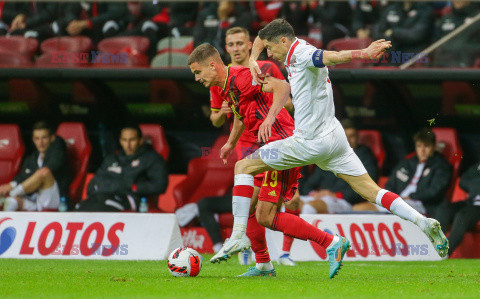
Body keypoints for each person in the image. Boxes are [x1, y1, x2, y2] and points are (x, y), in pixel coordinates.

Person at [226, 18, 447, 270]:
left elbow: (332, 56)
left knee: (243, 167)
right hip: (334, 137)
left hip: (308, 142)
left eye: (271, 49)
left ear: (285, 41)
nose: (269, 54)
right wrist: (253, 59)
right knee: (371, 190)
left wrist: (363, 53)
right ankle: (422, 222)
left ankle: (238, 235)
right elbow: (261, 37)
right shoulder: (287, 47)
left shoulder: (304, 53)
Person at [189, 43, 316, 277]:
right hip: (268, 144)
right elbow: (239, 116)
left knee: (246, 175)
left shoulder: (244, 75)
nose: (196, 79)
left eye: (198, 72)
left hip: (282, 141)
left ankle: (241, 238)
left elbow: (283, 87)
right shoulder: (228, 86)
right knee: (256, 211)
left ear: (212, 65)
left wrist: (269, 119)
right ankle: (264, 263)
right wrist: (229, 143)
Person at [205, 26, 300, 267]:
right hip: (247, 144)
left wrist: (268, 106)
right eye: (231, 44)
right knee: (254, 204)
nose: (236, 48)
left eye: (240, 43)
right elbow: (215, 119)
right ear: (226, 48)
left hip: (275, 136)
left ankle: (283, 254)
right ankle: (255, 253)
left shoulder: (266, 68)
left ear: (250, 45)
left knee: (290, 200)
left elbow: (288, 101)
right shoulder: (218, 79)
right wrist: (225, 116)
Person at [357, 128, 452, 215]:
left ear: (434, 147)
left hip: (421, 204)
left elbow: (434, 192)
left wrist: (411, 197)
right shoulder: (407, 163)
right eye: (419, 146)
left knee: (390, 208)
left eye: (426, 146)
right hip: (398, 200)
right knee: (358, 208)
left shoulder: (441, 166)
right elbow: (390, 184)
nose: (422, 150)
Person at [75, 124, 168, 212]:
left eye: (132, 140)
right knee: (78, 209)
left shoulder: (151, 158)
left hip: (128, 199)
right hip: (100, 197)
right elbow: (91, 187)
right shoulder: (111, 159)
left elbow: (160, 185)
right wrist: (120, 185)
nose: (128, 144)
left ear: (140, 140)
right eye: (124, 140)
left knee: (100, 209)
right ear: (120, 141)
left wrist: (135, 187)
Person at [300, 119, 379, 214]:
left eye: (352, 136)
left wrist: (337, 195)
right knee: (290, 204)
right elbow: (309, 184)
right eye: (344, 136)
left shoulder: (365, 157)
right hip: (320, 198)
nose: (348, 140)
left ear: (358, 138)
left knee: (309, 208)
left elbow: (367, 186)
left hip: (344, 201)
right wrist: (313, 193)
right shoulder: (329, 156)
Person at [0, 121, 71, 211]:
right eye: (37, 139)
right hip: (34, 200)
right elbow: (22, 176)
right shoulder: (32, 158)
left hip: (55, 200)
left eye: (44, 138)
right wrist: (11, 185)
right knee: (11, 202)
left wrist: (11, 191)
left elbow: (44, 172)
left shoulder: (58, 152)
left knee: (44, 172)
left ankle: (12, 193)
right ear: (33, 140)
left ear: (52, 138)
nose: (40, 142)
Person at [436, 161, 480, 256]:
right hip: (471, 201)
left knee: (462, 216)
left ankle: (444, 254)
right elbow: (463, 181)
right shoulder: (478, 167)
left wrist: (475, 184)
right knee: (444, 210)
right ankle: (434, 246)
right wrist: (476, 186)